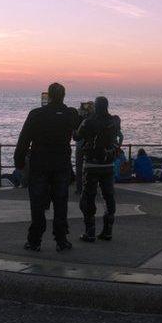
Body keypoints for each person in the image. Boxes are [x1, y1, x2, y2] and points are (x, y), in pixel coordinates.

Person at [14, 82, 79, 252]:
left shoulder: (36, 114)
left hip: (39, 164)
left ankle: (35, 240)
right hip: (61, 165)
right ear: (63, 96)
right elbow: (79, 133)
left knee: (37, 204)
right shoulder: (70, 114)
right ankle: (61, 240)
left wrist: (19, 162)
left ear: (48, 96)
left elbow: (24, 140)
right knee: (60, 203)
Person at [76, 96, 120, 243]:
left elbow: (76, 136)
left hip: (92, 165)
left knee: (87, 198)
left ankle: (90, 232)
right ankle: (108, 231)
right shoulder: (114, 121)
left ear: (96, 106)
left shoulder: (89, 121)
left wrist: (80, 119)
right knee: (109, 196)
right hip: (108, 164)